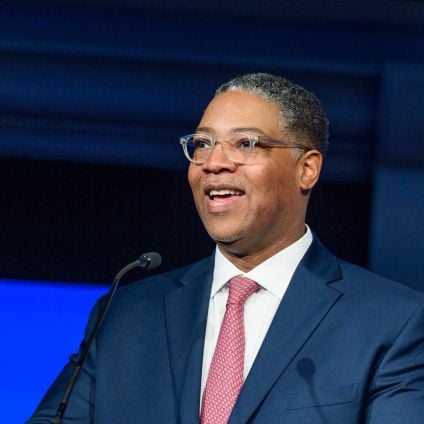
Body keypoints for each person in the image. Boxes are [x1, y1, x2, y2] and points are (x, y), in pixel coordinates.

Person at [28, 73, 424, 423]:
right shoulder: (126, 314)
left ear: (307, 169)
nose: (213, 162)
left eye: (246, 143)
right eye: (202, 143)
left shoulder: (392, 323)